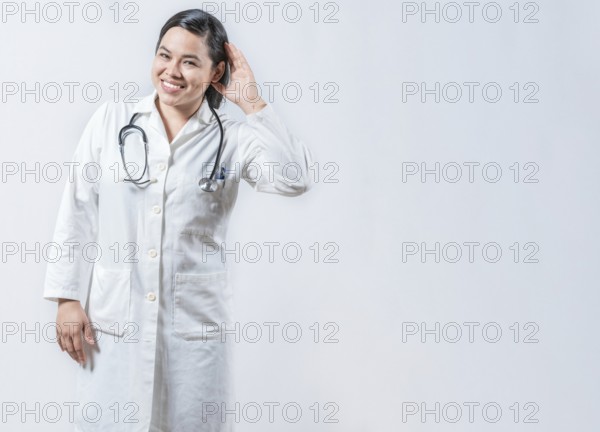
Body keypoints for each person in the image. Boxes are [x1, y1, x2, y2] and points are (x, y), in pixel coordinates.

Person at [42, 8, 313, 431]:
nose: (172, 71)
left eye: (190, 62)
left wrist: (253, 102)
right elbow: (77, 210)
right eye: (164, 56)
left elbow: (294, 179)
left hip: (194, 334)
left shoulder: (233, 137)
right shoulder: (112, 122)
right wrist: (66, 298)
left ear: (216, 71)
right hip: (115, 325)